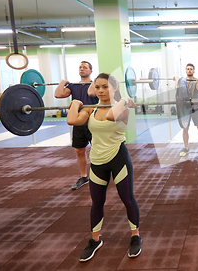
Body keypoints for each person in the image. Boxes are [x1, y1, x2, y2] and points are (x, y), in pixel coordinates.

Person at [67, 73, 141, 262]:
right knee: (96, 203)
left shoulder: (123, 110)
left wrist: (124, 99)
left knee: (127, 199)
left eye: (105, 87)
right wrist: (75, 104)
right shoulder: (90, 109)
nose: (100, 91)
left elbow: (110, 115)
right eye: (97, 87)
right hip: (98, 161)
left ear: (115, 88)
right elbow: (72, 120)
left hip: (118, 158)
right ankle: (95, 240)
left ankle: (135, 236)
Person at [55, 61, 99, 190]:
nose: (82, 69)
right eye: (80, 67)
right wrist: (63, 82)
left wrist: (94, 82)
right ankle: (84, 177)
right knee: (79, 150)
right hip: (79, 122)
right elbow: (58, 94)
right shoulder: (73, 86)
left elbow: (91, 94)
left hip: (93, 122)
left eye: (85, 67)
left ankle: (99, 176)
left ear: (91, 71)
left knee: (97, 150)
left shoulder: (95, 85)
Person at [177, 63, 198, 157]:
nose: (189, 70)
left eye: (191, 69)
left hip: (196, 108)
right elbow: (177, 88)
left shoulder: (197, 81)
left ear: (194, 71)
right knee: (185, 129)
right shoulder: (182, 81)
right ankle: (186, 148)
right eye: (187, 69)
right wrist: (176, 78)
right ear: (185, 70)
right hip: (185, 109)